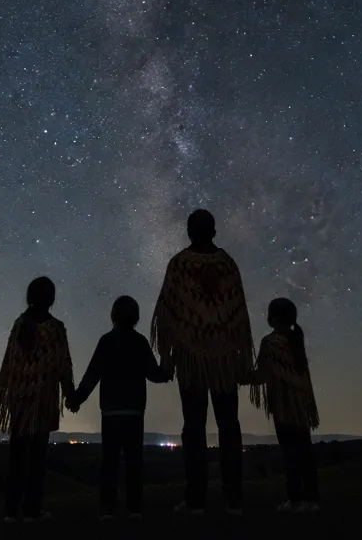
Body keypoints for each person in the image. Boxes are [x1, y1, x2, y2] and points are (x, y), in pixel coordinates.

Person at [150, 209, 254, 515]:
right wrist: (240, 358)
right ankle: (233, 499)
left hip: (191, 359)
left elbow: (169, 315)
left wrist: (168, 357)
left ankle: (196, 500)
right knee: (228, 426)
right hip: (223, 360)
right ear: (214, 230)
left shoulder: (180, 264)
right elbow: (238, 315)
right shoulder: (227, 264)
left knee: (194, 427)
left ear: (189, 231)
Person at [66, 295, 172, 520]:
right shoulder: (139, 342)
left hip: (111, 413)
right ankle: (134, 508)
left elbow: (93, 373)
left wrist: (77, 398)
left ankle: (107, 508)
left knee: (110, 462)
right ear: (136, 317)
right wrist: (166, 369)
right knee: (134, 462)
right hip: (134, 412)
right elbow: (153, 374)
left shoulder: (106, 341)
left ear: (114, 315)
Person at [0, 276, 75, 523]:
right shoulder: (55, 328)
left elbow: (10, 363)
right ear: (51, 298)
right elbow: (62, 366)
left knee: (17, 456)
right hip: (42, 400)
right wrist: (71, 396)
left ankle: (11, 511)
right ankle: (32, 511)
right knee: (37, 457)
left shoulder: (19, 324)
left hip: (18, 399)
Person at [250, 297, 321, 512]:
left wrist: (241, 376)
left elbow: (262, 374)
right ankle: (311, 499)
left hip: (283, 405)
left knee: (290, 452)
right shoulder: (296, 340)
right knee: (305, 452)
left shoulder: (270, 343)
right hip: (302, 405)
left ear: (272, 319)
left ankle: (295, 499)